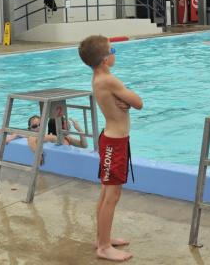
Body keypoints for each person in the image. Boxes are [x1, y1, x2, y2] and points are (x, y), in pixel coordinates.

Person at [79, 35, 143, 261]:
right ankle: (104, 247)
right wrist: (129, 100)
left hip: (114, 140)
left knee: (107, 192)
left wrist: (123, 101)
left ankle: (102, 238)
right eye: (113, 49)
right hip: (114, 144)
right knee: (111, 195)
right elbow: (139, 103)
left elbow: (125, 102)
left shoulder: (100, 78)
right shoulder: (109, 80)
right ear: (105, 59)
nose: (115, 52)